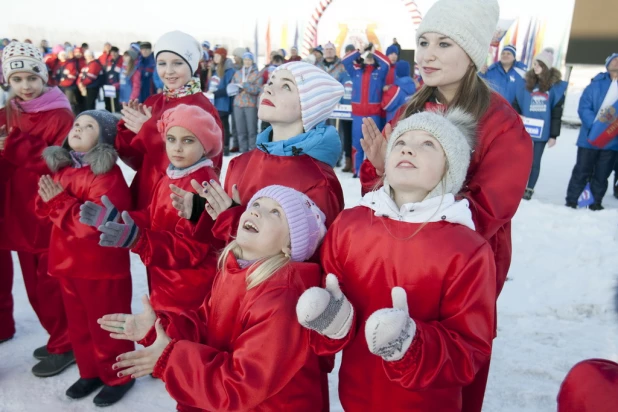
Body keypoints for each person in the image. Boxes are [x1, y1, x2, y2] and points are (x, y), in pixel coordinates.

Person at [357, 0, 533, 410]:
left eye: (444, 43)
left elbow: (487, 211)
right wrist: (381, 171)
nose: (427, 54)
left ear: (472, 52)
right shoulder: (410, 108)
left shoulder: (502, 123)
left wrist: (418, 204)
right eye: (423, 42)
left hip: (454, 267)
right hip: (394, 254)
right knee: (386, 355)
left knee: (446, 367)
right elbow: (378, 186)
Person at [298, 109, 496, 411]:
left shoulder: (467, 249)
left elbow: (471, 347)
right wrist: (333, 319)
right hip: (356, 395)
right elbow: (330, 299)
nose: (408, 148)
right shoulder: (350, 225)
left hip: (428, 403)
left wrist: (412, 345)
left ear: (450, 168)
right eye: (401, 141)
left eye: (428, 144)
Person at [99, 186, 328, 412]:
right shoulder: (235, 269)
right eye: (256, 204)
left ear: (289, 246)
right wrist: (158, 329)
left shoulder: (282, 299)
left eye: (276, 212)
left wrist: (171, 358)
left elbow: (241, 385)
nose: (256, 211)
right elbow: (204, 325)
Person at [37, 110, 135, 405]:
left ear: (104, 139)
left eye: (88, 126)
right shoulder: (64, 169)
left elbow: (93, 226)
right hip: (67, 264)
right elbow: (42, 209)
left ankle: (118, 375)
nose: (78, 129)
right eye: (76, 124)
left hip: (101, 269)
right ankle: (90, 370)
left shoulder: (107, 177)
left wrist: (57, 202)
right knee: (79, 326)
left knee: (108, 326)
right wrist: (47, 201)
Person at [93, 104, 223, 313]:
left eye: (188, 140)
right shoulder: (173, 175)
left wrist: (139, 240)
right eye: (171, 139)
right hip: (166, 278)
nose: (177, 148)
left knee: (179, 340)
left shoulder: (202, 185)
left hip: (189, 288)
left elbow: (191, 248)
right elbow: (154, 215)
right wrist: (121, 219)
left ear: (206, 145)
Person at [0, 41, 74, 376]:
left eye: (32, 77)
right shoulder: (7, 114)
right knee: (32, 285)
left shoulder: (60, 114)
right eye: (17, 79)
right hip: (16, 211)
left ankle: (67, 342)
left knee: (51, 283)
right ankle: (58, 335)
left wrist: (14, 145)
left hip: (47, 209)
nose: (26, 86)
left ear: (43, 76)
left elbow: (59, 161)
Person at [115, 30, 223, 211]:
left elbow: (209, 168)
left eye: (178, 63)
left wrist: (148, 132)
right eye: (162, 63)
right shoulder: (153, 102)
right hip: (146, 193)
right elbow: (137, 161)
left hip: (175, 201)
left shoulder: (202, 109)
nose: (169, 71)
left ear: (192, 65)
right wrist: (127, 129)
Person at [565, 53, 618, 210]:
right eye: (613, 60)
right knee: (581, 170)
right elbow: (584, 107)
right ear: (607, 65)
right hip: (589, 138)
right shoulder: (595, 85)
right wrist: (596, 127)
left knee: (602, 174)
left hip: (612, 141)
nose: (616, 62)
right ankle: (572, 200)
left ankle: (595, 202)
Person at [513, 47, 568, 200]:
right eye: (534, 63)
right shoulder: (526, 84)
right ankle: (517, 185)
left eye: (539, 64)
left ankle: (529, 188)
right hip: (524, 129)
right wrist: (518, 115)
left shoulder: (555, 88)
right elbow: (516, 103)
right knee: (520, 159)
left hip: (542, 132)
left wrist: (553, 135)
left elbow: (557, 113)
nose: (535, 66)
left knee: (535, 161)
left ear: (546, 67)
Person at [342, 44, 390, 176]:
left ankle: (372, 171)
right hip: (357, 115)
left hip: (374, 115)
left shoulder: (379, 73)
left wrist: (374, 51)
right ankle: (357, 171)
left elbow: (386, 63)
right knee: (357, 144)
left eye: (371, 59)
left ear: (374, 60)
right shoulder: (356, 72)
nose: (369, 61)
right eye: (367, 58)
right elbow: (345, 60)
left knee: (373, 144)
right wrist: (360, 51)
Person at [232, 52, 263, 153]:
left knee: (251, 131)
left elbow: (257, 89)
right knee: (240, 131)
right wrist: (234, 88)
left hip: (250, 104)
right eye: (245, 60)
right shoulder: (238, 73)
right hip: (238, 104)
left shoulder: (257, 74)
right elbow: (232, 86)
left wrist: (245, 86)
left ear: (252, 61)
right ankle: (243, 152)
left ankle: (253, 153)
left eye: (249, 60)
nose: (247, 62)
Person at [208, 47, 235, 156]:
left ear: (223, 57)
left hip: (223, 102)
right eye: (214, 56)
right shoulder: (215, 69)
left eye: (217, 56)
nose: (215, 58)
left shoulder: (229, 70)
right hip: (214, 102)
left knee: (223, 125)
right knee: (215, 126)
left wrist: (214, 94)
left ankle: (225, 147)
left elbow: (229, 88)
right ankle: (216, 146)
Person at [104, 47, 122, 112]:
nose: (113, 54)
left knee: (116, 105)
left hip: (117, 88)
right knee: (108, 105)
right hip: (109, 87)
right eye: (112, 52)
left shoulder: (122, 61)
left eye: (115, 52)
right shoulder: (108, 62)